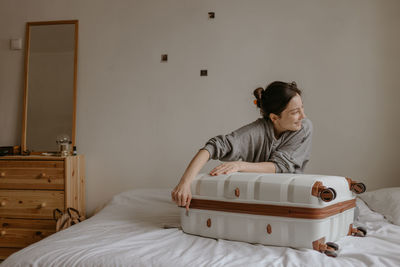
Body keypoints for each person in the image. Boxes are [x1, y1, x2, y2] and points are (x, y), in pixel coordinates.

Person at [171, 81, 313, 210]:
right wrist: (184, 183)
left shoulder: (303, 128)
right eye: (295, 112)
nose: (303, 116)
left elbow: (281, 166)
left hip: (290, 199)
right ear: (274, 118)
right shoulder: (255, 132)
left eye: (302, 108)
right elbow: (213, 147)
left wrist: (240, 166)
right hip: (257, 197)